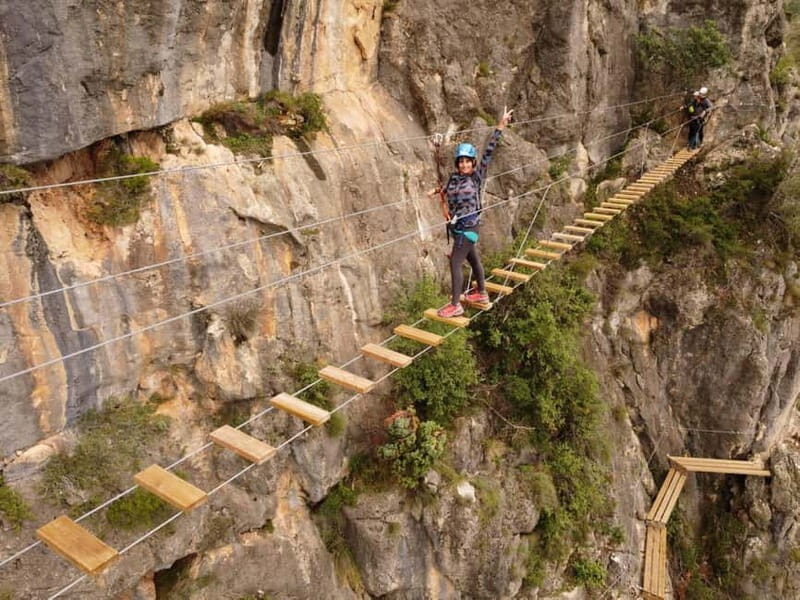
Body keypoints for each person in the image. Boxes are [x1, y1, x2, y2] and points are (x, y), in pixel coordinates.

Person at [436, 106, 514, 318]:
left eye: (467, 161)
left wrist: (500, 126)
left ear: (472, 163)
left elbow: (489, 151)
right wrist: (437, 190)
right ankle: (481, 293)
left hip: (470, 227)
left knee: (455, 262)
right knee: (473, 260)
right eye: (461, 161)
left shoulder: (476, 177)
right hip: (458, 228)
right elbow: (448, 191)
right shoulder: (453, 178)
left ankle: (455, 304)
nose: (463, 164)